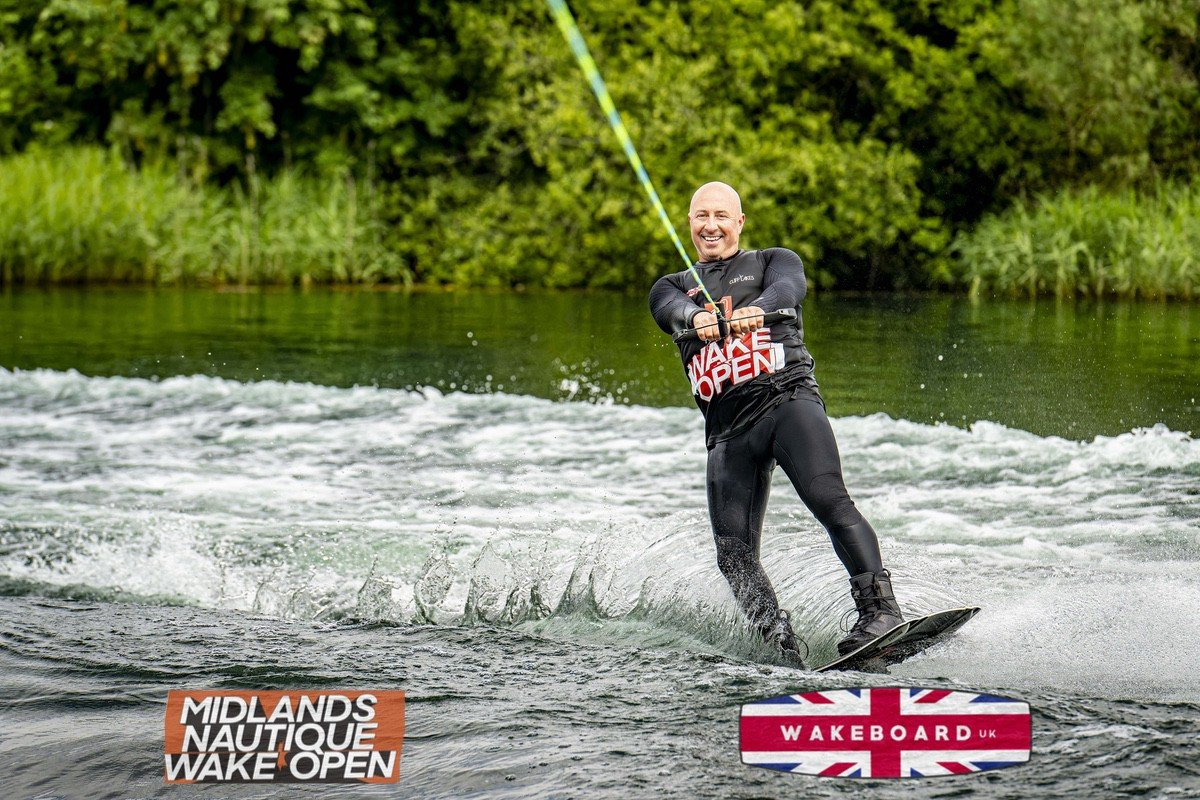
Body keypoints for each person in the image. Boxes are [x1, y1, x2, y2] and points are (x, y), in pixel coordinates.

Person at [648, 181, 902, 667]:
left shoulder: (773, 262)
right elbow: (668, 311)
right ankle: (777, 643)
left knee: (829, 499)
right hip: (727, 435)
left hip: (786, 401)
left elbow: (790, 290)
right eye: (701, 216)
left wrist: (755, 313)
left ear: (739, 222)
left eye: (721, 215)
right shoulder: (672, 286)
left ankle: (880, 612)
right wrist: (695, 316)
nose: (711, 225)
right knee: (733, 556)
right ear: (689, 224)